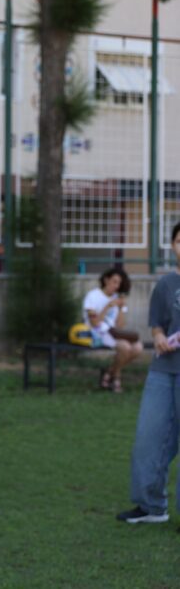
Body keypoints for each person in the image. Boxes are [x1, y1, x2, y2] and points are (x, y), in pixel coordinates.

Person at [115, 221, 180, 525]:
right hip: (163, 370)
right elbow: (158, 323)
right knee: (149, 439)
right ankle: (151, 506)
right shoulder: (166, 284)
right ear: (173, 246)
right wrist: (157, 336)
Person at [83, 267, 143, 393]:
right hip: (96, 333)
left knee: (138, 348)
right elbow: (95, 323)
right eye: (114, 282)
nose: (116, 286)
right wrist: (107, 306)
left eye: (119, 283)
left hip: (113, 333)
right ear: (106, 280)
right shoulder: (93, 296)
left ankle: (109, 373)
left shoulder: (117, 298)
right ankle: (116, 378)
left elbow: (120, 326)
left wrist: (121, 308)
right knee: (125, 347)